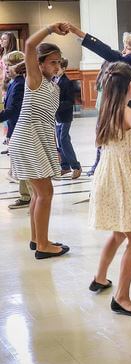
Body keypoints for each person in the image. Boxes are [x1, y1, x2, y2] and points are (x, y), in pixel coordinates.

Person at [87, 62, 131, 317]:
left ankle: (100, 277)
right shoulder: (128, 112)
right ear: (130, 86)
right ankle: (122, 297)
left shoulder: (107, 109)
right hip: (121, 176)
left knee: (119, 233)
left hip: (107, 173)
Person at [9, 23, 70, 259]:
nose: (57, 65)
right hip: (27, 138)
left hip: (37, 138)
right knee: (45, 193)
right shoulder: (34, 79)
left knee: (38, 194)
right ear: (40, 63)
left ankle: (37, 239)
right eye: (52, 62)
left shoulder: (51, 84)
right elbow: (29, 45)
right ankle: (43, 246)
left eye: (59, 61)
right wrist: (51, 28)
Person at [1, 51, 30, 210]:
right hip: (15, 127)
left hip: (21, 129)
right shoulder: (13, 83)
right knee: (20, 165)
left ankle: (31, 197)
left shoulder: (19, 84)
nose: (5, 68)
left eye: (9, 65)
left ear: (19, 67)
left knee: (24, 166)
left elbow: (13, 110)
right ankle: (26, 195)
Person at [55, 57, 81, 178]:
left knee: (64, 141)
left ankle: (76, 166)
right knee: (60, 141)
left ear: (64, 69)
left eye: (58, 68)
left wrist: (56, 106)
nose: (55, 70)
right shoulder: (55, 80)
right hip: (57, 116)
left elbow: (70, 101)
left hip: (65, 116)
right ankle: (65, 167)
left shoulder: (67, 82)